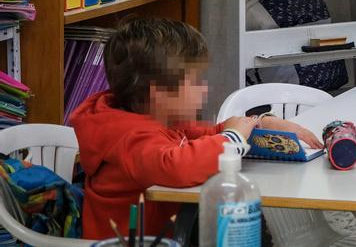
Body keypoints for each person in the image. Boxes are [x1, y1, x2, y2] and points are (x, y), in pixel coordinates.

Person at [69, 18, 321, 240]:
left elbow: (207, 135)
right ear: (159, 94)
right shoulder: (129, 137)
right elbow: (176, 166)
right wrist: (232, 138)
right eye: (196, 82)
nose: (204, 89)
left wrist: (259, 123)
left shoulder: (152, 121)